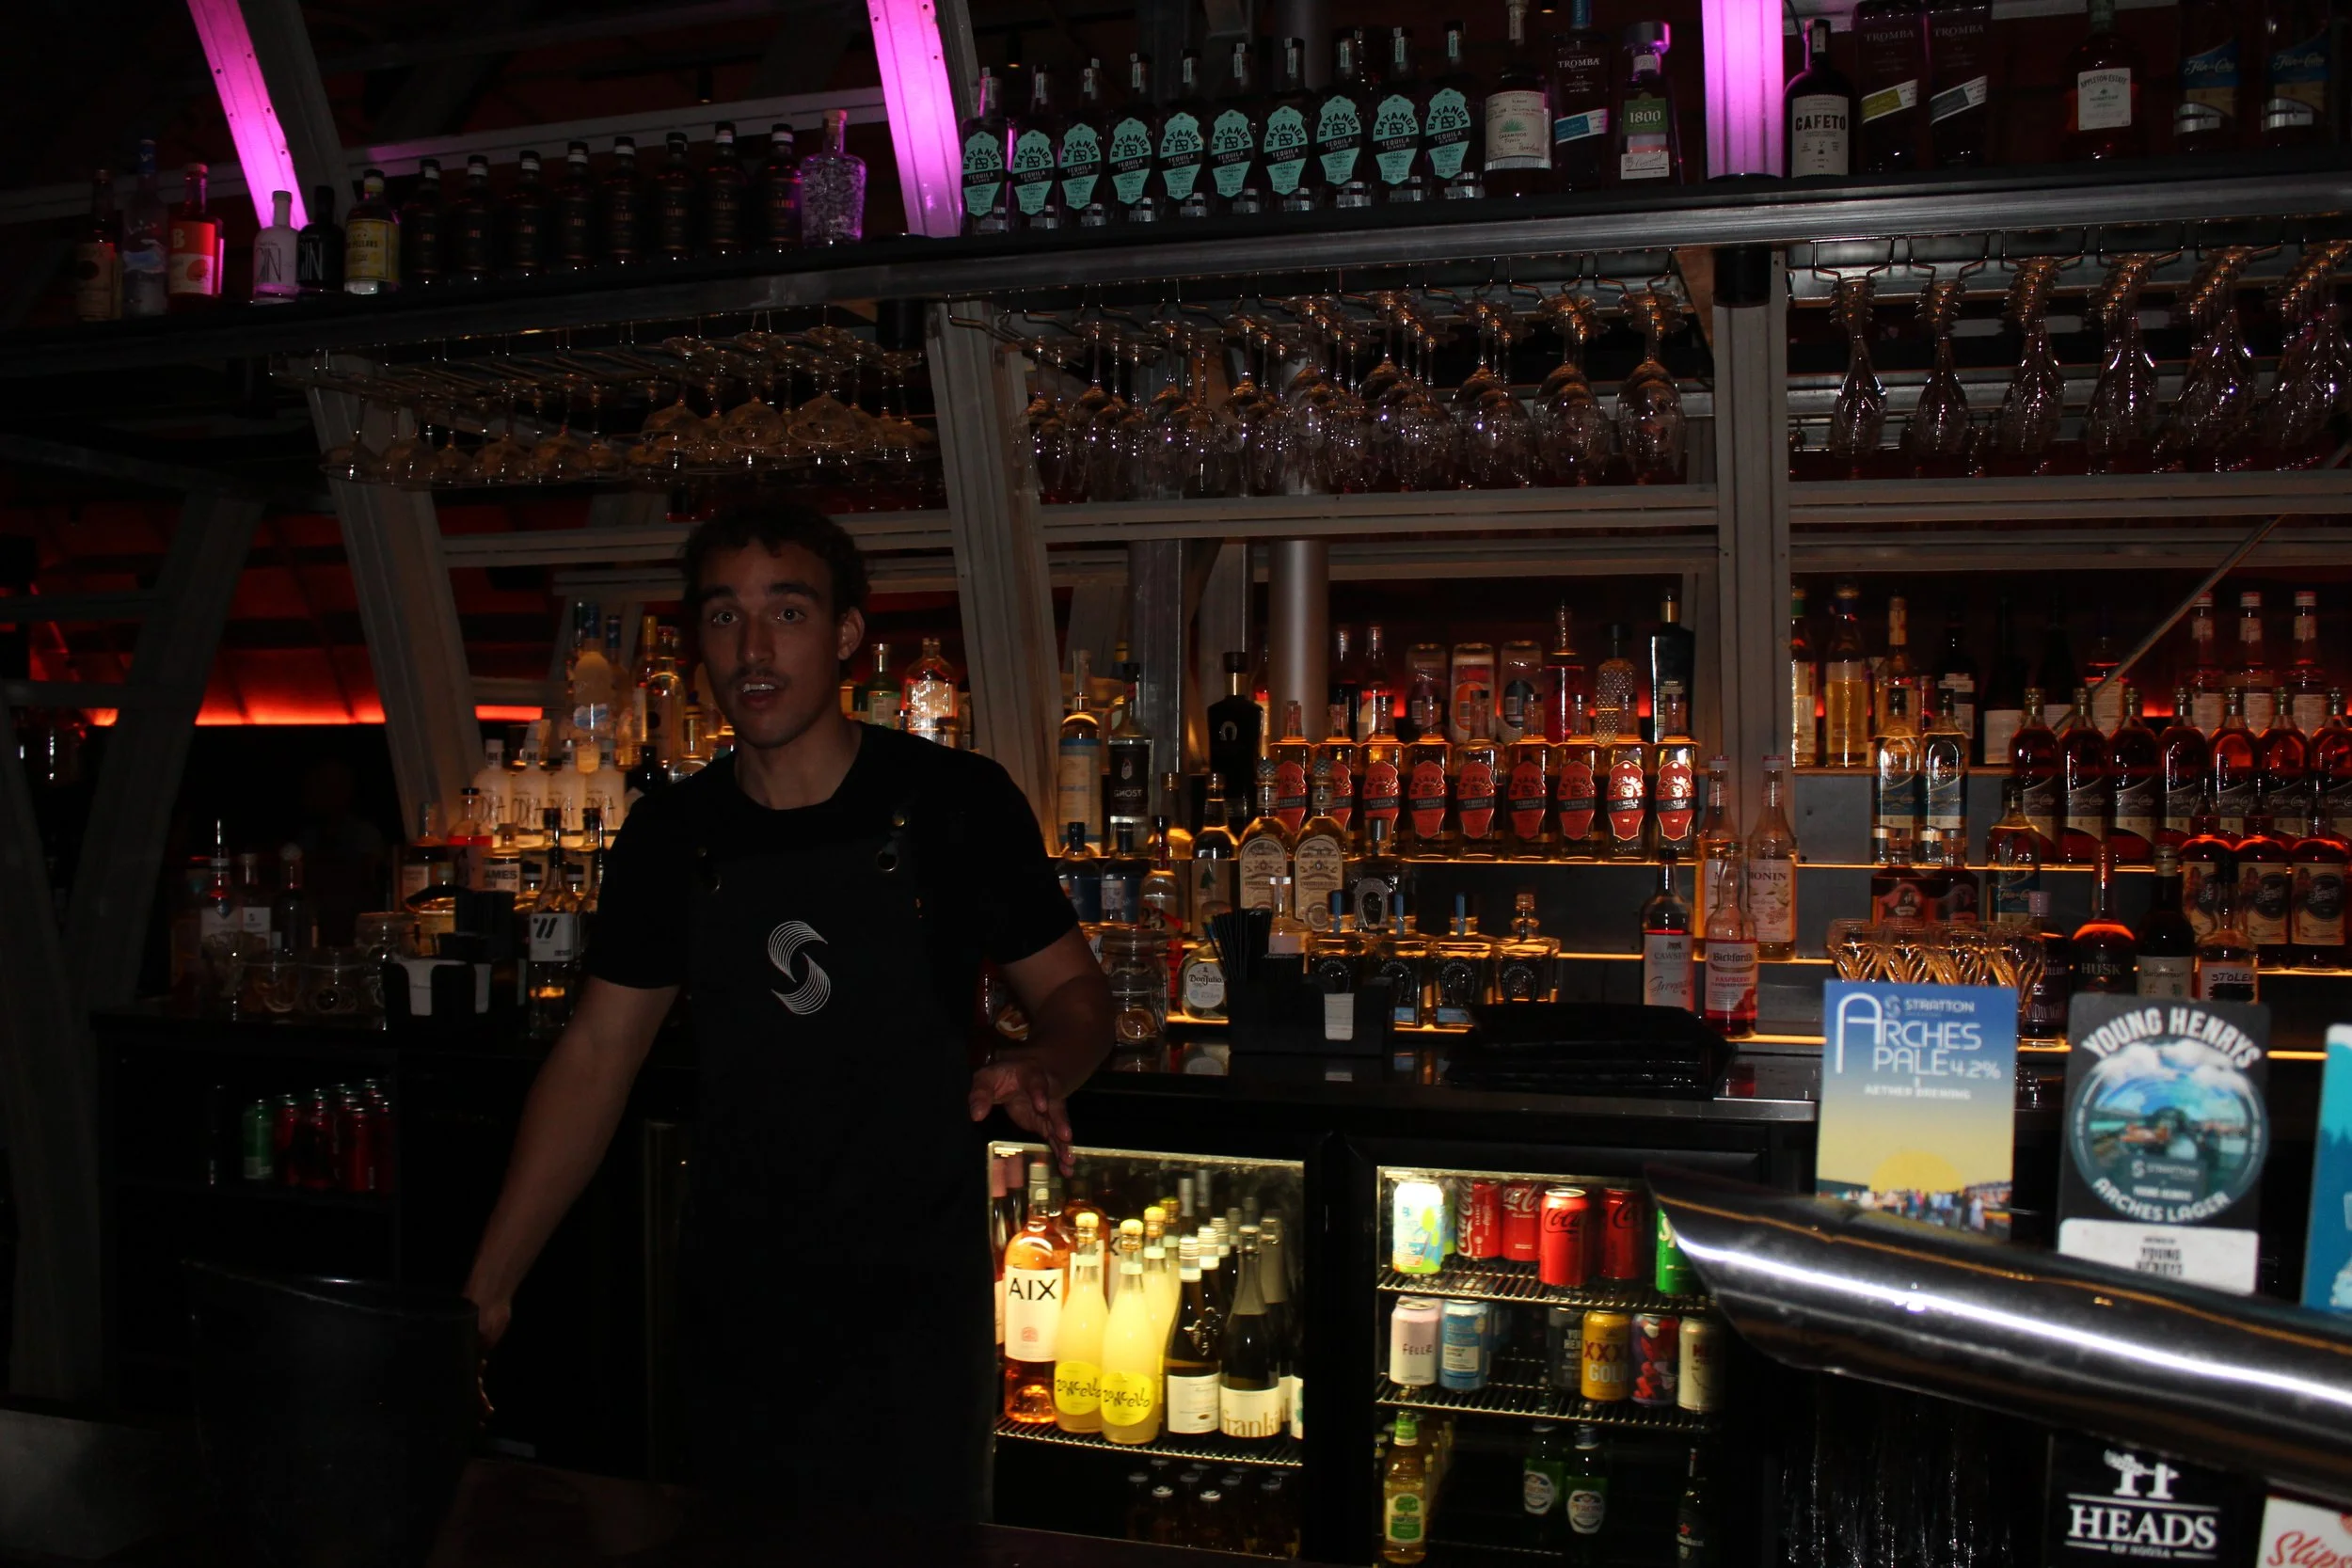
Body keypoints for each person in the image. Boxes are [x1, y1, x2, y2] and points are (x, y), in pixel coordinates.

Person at [462, 501, 1112, 1523]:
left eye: (788, 613)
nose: (753, 649)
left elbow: (1077, 995)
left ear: (848, 634)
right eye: (724, 618)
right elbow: (595, 1055)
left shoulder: (954, 802)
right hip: (736, 1291)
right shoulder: (671, 836)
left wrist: (1048, 1059)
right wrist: (488, 1286)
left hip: (914, 1298)